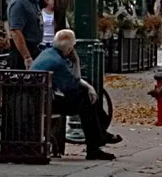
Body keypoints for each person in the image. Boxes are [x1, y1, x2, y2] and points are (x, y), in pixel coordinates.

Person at [35, 28, 121, 160]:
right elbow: (72, 87)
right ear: (70, 48)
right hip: (45, 102)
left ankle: (99, 137)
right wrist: (76, 61)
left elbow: (72, 81)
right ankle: (96, 145)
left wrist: (89, 87)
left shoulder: (49, 53)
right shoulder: (58, 63)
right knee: (86, 101)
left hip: (40, 98)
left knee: (87, 93)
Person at [6, 0, 50, 64]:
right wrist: (27, 57)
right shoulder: (19, 2)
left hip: (35, 48)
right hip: (22, 52)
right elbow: (16, 32)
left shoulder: (34, 1)